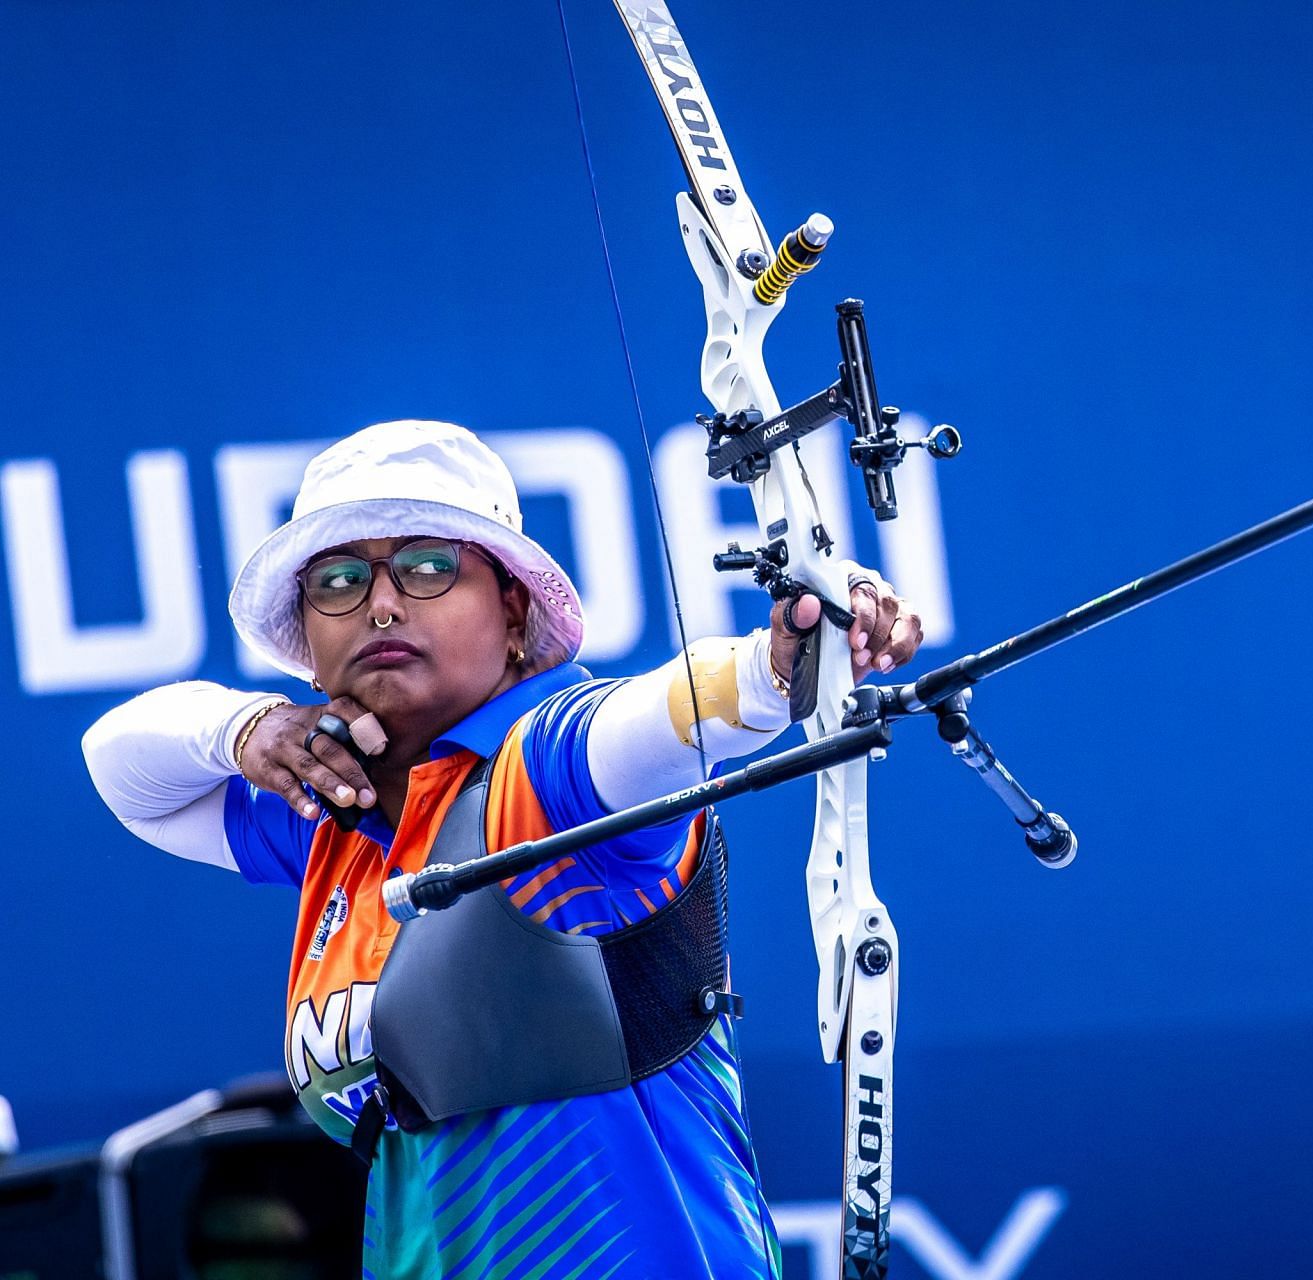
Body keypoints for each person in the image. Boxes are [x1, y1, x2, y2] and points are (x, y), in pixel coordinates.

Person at [81, 419, 924, 1278]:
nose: (380, 601)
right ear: (309, 638)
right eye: (338, 579)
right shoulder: (332, 810)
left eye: (429, 566)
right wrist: (246, 728)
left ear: (512, 610)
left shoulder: (546, 768)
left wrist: (778, 665)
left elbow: (657, 719)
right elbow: (121, 767)